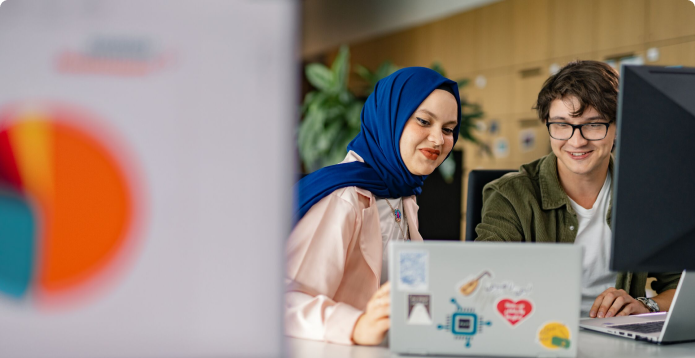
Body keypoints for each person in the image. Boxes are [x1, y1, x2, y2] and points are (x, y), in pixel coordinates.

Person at [474, 60, 680, 318]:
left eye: (593, 125)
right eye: (561, 124)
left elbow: (682, 286)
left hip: (621, 342)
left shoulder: (648, 193)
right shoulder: (510, 195)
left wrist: (647, 305)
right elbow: (488, 284)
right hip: (540, 338)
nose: (576, 140)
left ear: (618, 127)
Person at [286, 67, 461, 345]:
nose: (439, 140)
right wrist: (355, 325)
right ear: (390, 118)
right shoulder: (344, 197)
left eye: (449, 129)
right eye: (424, 121)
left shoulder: (402, 193)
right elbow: (282, 303)